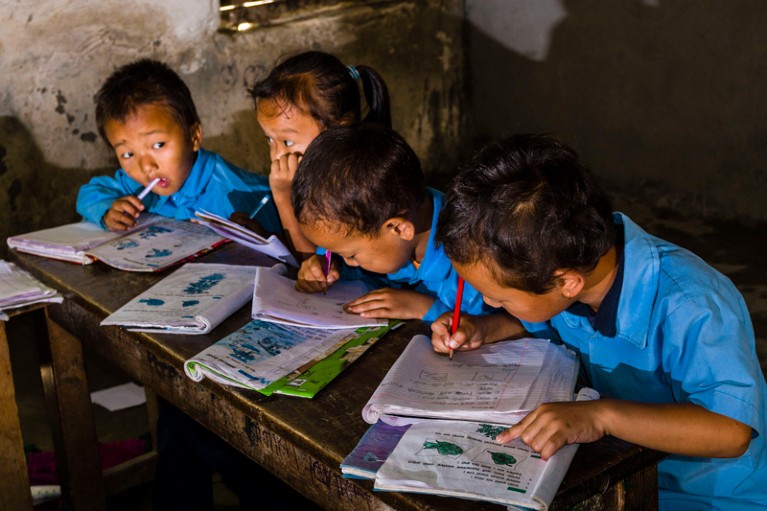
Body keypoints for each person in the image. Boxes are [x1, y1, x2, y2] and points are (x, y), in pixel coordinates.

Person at [430, 133, 767, 510]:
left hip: (706, 496)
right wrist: (486, 327)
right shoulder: (578, 271)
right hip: (624, 469)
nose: (488, 302)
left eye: (499, 297)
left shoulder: (693, 304)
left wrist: (601, 416)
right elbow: (546, 317)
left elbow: (731, 431)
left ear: (565, 282)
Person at [292, 123, 494, 321]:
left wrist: (425, 309)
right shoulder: (377, 223)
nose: (349, 263)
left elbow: (517, 323)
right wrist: (323, 265)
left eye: (350, 256)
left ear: (398, 228)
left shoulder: (479, 253)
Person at [76, 58, 280, 234]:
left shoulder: (238, 196)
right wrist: (107, 210)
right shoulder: (134, 186)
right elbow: (90, 193)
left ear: (194, 137)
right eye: (128, 154)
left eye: (158, 145)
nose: (146, 166)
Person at [234, 50, 391, 259]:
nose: (276, 155)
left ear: (339, 130)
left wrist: (283, 195)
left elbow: (310, 260)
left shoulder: (353, 185)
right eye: (269, 139)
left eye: (287, 142)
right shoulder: (316, 177)